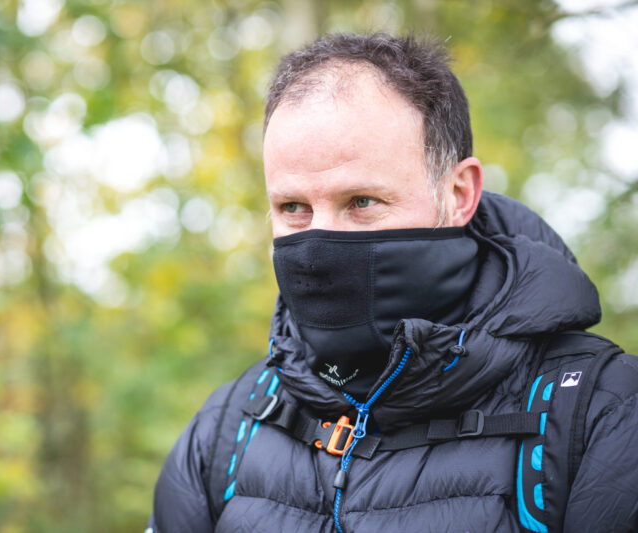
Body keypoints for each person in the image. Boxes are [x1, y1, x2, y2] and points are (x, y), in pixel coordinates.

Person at [148, 32, 638, 532]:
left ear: (458, 193)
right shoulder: (231, 426)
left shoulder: (603, 412)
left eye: (361, 202)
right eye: (293, 208)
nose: (318, 249)